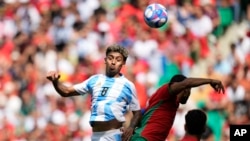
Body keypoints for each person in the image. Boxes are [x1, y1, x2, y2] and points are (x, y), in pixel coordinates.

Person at [46, 44, 142, 141]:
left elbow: (137, 113)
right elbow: (66, 91)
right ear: (105, 60)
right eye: (110, 58)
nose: (113, 62)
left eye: (118, 60)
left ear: (123, 63)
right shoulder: (94, 80)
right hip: (95, 136)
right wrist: (55, 82)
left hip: (114, 136)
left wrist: (131, 128)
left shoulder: (128, 85)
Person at [130, 74, 225, 141]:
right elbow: (187, 82)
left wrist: (131, 128)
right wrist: (210, 81)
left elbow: (142, 115)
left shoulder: (171, 103)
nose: (189, 93)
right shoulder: (164, 92)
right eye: (188, 89)